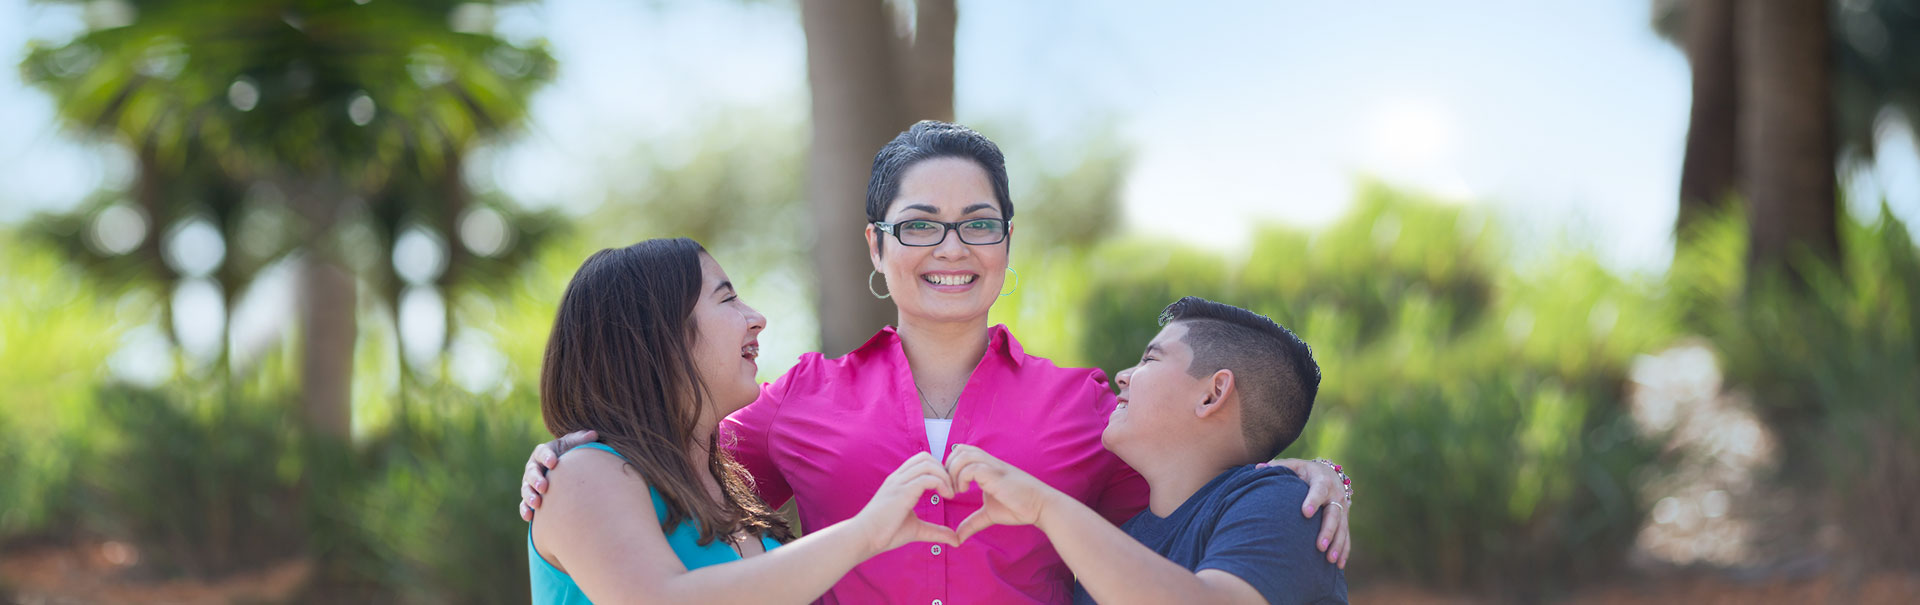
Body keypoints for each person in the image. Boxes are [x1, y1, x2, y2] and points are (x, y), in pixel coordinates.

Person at [521, 121, 1355, 604]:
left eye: (977, 222)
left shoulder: (1089, 408)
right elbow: (669, 474)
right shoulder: (790, 402)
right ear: (876, 250)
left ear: (1006, 242)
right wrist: (561, 451)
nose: (950, 247)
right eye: (919, 224)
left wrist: (1297, 472)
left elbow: (1193, 479)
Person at [527, 238, 960, 604]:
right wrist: (866, 532)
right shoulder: (581, 473)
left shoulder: (722, 488)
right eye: (728, 298)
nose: (757, 318)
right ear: (658, 334)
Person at [945, 297, 1348, 605]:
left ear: (1213, 393)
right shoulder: (1116, 544)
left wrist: (1042, 505)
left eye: (1150, 359)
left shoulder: (1288, 504)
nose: (1122, 376)